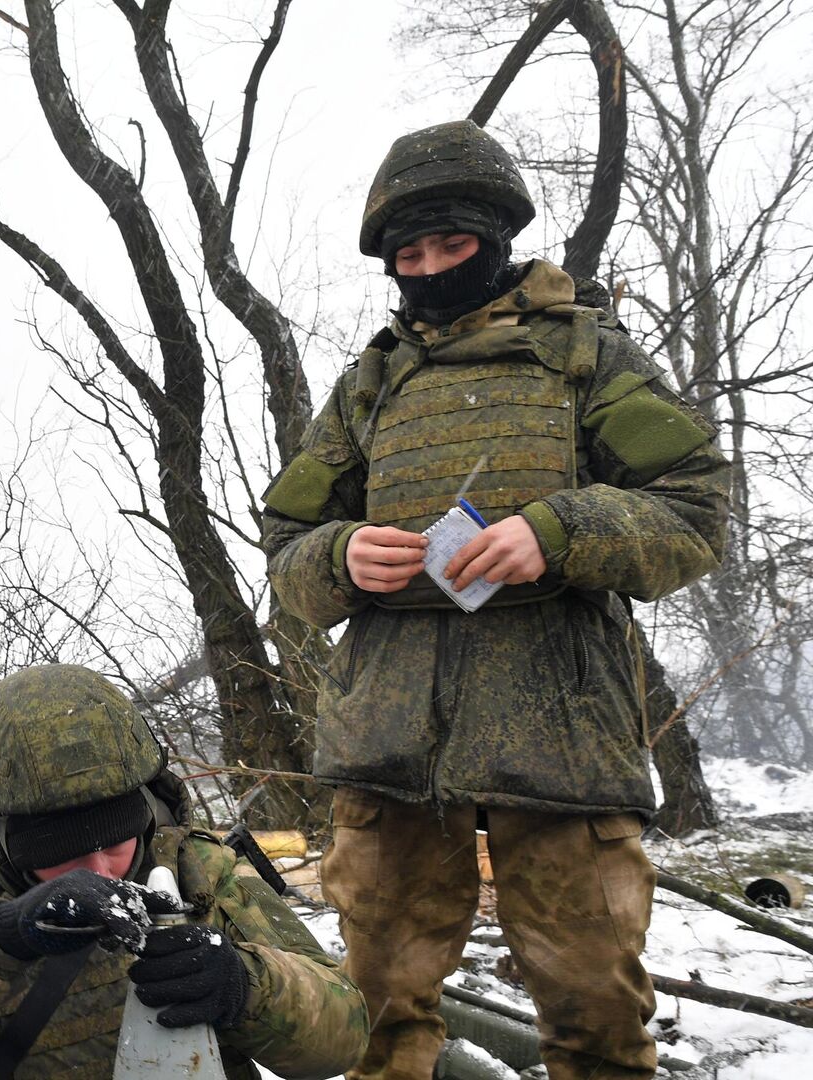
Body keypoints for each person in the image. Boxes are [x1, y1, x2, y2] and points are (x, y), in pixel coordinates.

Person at [260, 120, 732, 1080]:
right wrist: (345, 557)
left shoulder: (586, 357)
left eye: (453, 244)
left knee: (597, 1018)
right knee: (380, 1026)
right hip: (389, 747)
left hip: (558, 742)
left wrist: (558, 532)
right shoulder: (371, 387)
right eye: (410, 253)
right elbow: (285, 549)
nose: (430, 265)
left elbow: (695, 510)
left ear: (497, 239)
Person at [0, 664, 369, 1080]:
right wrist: (0, 939)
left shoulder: (200, 873)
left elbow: (344, 1035)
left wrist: (244, 986)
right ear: (7, 845)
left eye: (115, 841)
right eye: (60, 851)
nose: (98, 870)